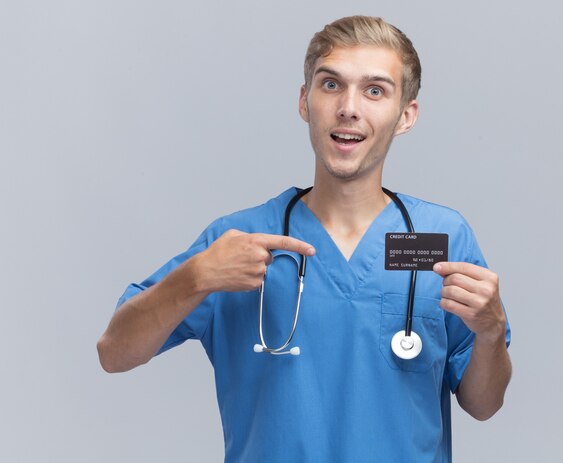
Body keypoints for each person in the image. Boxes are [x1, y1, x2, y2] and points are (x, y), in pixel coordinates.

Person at [98, 15, 512, 462]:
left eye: (375, 90)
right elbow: (114, 353)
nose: (349, 107)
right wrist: (194, 278)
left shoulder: (443, 239)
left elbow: (483, 404)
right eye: (331, 85)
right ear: (304, 101)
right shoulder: (238, 241)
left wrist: (490, 331)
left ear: (406, 115)